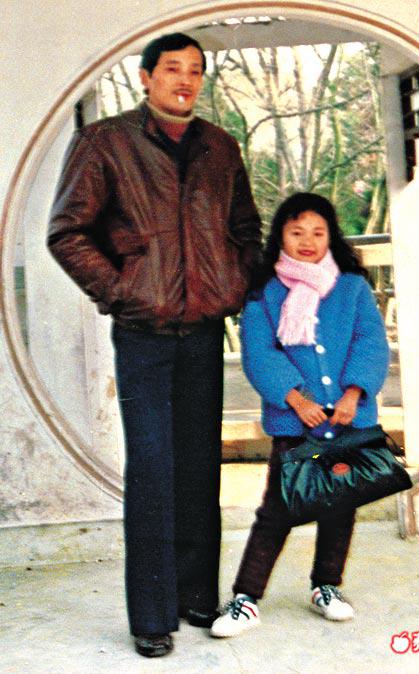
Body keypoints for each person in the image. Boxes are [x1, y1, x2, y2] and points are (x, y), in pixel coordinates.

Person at [47, 33, 262, 658]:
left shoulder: (220, 147)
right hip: (143, 334)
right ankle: (151, 615)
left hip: (203, 332)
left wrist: (233, 283)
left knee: (199, 465)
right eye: (173, 69)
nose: (185, 80)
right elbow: (67, 232)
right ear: (146, 77)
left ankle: (196, 596)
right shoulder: (106, 142)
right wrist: (123, 292)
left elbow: (245, 228)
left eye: (196, 70)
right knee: (152, 467)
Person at [210, 192, 389, 638]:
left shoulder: (352, 288)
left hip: (349, 419)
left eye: (317, 232)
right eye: (296, 232)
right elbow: (259, 353)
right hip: (296, 423)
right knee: (277, 510)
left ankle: (326, 586)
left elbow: (370, 341)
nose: (307, 241)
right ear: (281, 237)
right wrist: (296, 399)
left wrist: (354, 393)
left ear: (331, 236)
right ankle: (246, 598)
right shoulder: (265, 293)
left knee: (340, 508)